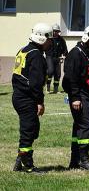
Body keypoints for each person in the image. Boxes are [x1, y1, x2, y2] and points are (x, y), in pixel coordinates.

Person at [12, 23, 53, 173]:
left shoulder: (23, 50)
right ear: (43, 38)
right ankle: (28, 165)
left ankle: (20, 159)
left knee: (32, 129)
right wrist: (39, 102)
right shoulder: (35, 54)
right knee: (28, 130)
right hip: (26, 98)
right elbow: (36, 83)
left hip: (18, 95)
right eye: (50, 39)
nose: (51, 42)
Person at [63, 24, 89, 170]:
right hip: (78, 93)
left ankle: (75, 160)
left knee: (79, 125)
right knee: (87, 124)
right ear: (87, 38)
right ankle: (84, 159)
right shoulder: (75, 53)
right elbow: (71, 77)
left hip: (88, 94)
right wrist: (75, 97)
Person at [45, 23, 68, 93]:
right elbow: (44, 47)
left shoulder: (61, 40)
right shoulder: (49, 39)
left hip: (58, 58)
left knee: (57, 74)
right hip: (49, 57)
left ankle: (55, 89)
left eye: (57, 31)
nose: (55, 32)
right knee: (50, 71)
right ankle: (47, 87)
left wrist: (64, 55)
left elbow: (65, 49)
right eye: (54, 31)